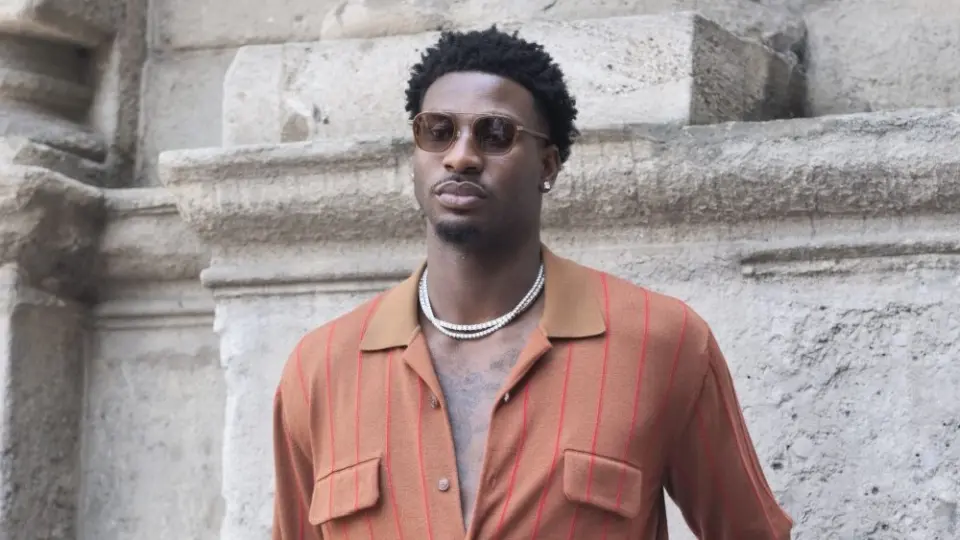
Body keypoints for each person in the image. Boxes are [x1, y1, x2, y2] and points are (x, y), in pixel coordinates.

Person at [272, 26, 793, 540]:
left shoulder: (662, 342)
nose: (460, 156)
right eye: (438, 131)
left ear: (547, 165)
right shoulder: (321, 369)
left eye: (495, 133)